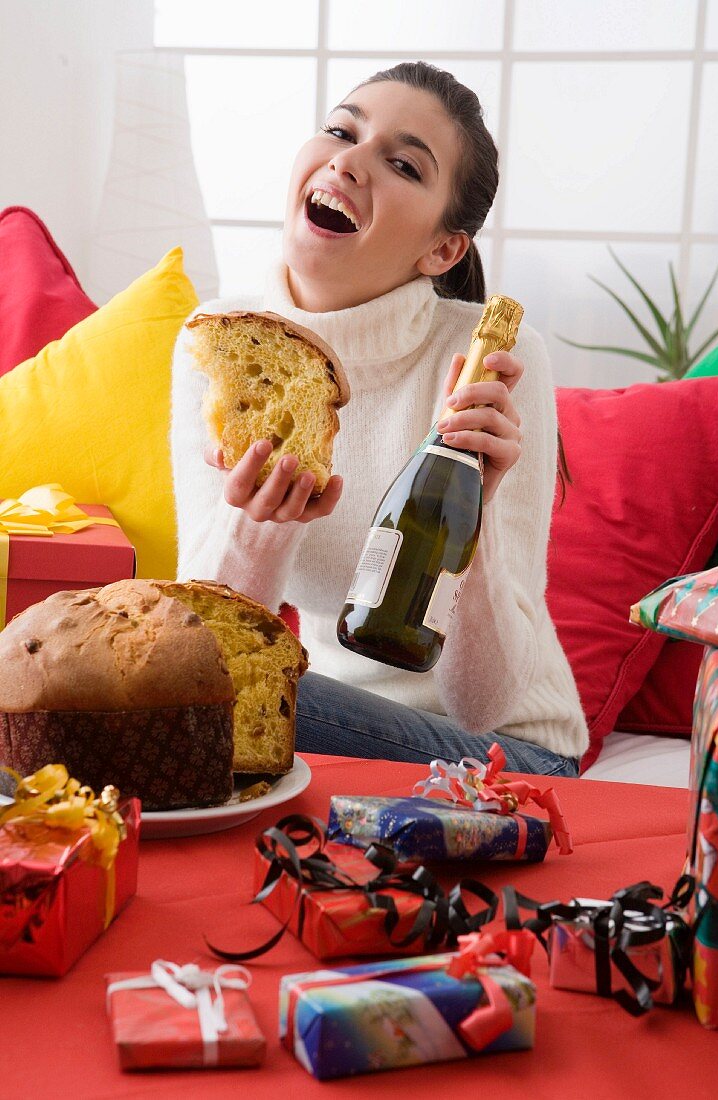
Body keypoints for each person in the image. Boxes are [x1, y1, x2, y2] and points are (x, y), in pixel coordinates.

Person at [171, 61, 588, 776]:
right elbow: (207, 638)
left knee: (189, 697)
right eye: (341, 129)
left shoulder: (487, 359)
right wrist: (262, 519)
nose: (349, 159)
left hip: (505, 756)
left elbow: (482, 705)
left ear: (443, 248)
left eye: (401, 163)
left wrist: (471, 514)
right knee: (158, 680)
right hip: (341, 732)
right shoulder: (217, 342)